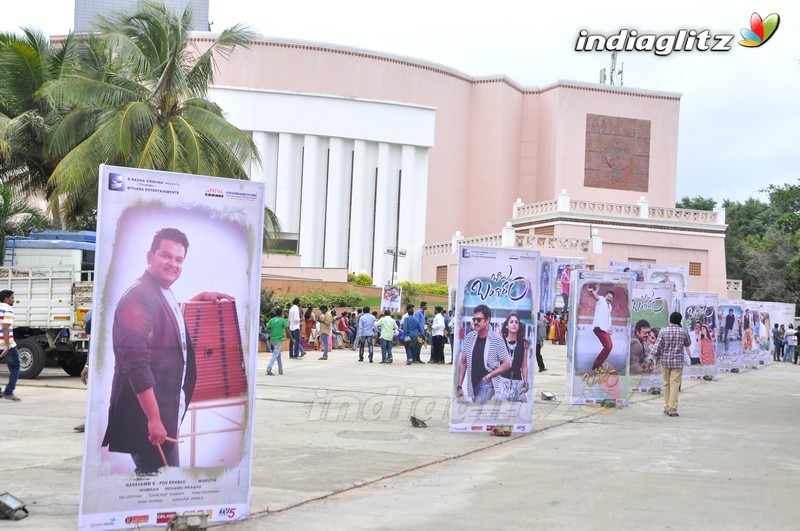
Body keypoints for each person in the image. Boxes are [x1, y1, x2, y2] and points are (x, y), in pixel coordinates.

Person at [102, 228, 233, 475]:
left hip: (163, 414)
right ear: (150, 256)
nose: (172, 263)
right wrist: (153, 418)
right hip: (148, 420)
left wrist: (199, 298)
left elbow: (166, 324)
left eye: (178, 259)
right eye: (166, 256)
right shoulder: (138, 296)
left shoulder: (159, 292)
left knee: (160, 482)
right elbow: (136, 363)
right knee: (157, 482)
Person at [456, 304, 511, 404]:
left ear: (487, 320)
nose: (475, 322)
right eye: (474, 319)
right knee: (478, 413)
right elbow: (463, 362)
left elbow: (507, 363)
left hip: (488, 383)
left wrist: (489, 376)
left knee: (478, 409)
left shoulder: (496, 340)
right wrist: (459, 385)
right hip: (472, 384)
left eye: (479, 319)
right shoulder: (469, 337)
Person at [652, 311, 691, 417]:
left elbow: (657, 346)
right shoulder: (683, 331)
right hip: (677, 362)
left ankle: (666, 406)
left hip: (665, 361)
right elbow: (688, 343)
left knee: (666, 384)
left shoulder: (663, 331)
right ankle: (672, 408)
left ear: (670, 319)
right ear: (680, 321)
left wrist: (653, 355)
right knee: (675, 385)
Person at [498, 312, 530, 402]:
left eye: (516, 322)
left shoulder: (524, 343)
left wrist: (525, 383)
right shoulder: (500, 342)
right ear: (507, 326)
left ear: (519, 326)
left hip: (518, 383)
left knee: (517, 413)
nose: (514, 324)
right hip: (502, 382)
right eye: (511, 322)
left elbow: (524, 366)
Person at [586, 285, 614, 370]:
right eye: (608, 296)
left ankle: (598, 364)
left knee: (610, 346)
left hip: (605, 329)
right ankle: (597, 365)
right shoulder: (601, 300)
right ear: (606, 296)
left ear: (612, 299)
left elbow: (608, 318)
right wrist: (592, 291)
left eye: (611, 297)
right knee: (608, 346)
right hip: (598, 327)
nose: (609, 298)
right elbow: (596, 297)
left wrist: (610, 328)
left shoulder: (610, 307)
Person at [0, 290, 21, 401]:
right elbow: (5, 328)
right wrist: (7, 345)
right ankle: (9, 392)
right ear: (6, 298)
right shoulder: (8, 309)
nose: (13, 300)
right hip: (6, 344)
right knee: (15, 366)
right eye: (12, 298)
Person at [266, 309, 288, 376]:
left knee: (278, 355)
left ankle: (280, 370)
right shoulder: (282, 320)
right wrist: (292, 339)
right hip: (278, 340)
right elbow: (287, 330)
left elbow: (267, 328)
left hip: (273, 339)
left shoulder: (272, 320)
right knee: (275, 354)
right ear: (281, 313)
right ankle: (269, 368)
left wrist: (270, 333)